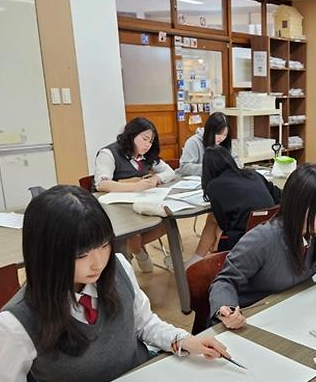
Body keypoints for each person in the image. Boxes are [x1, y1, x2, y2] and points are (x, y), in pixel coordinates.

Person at [0, 186, 229, 382]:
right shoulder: (15, 322)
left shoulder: (118, 267)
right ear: (46, 255)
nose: (98, 263)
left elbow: (144, 324)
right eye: (82, 255)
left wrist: (184, 340)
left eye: (103, 246)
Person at [208, 164, 316, 329]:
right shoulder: (263, 238)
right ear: (295, 206)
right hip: (252, 319)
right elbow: (225, 281)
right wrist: (226, 310)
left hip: (292, 315)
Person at [94, 117, 175, 272]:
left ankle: (135, 248)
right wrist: (135, 186)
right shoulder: (109, 153)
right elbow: (102, 184)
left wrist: (156, 178)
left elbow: (169, 171)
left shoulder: (147, 156)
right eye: (144, 139)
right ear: (131, 135)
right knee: (133, 230)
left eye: (150, 141)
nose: (147, 145)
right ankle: (137, 251)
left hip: (141, 203)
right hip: (114, 208)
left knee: (169, 221)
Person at [185, 145, 282, 269]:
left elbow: (224, 223)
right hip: (270, 230)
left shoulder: (214, 186)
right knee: (213, 219)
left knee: (214, 224)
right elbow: (278, 196)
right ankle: (197, 259)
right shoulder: (252, 174)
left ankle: (197, 260)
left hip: (243, 238)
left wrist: (219, 234)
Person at [178, 112, 243, 176]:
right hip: (198, 181)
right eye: (218, 134)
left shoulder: (225, 141)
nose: (221, 138)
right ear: (210, 131)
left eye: (225, 135)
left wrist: (233, 167)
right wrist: (212, 167)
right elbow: (184, 167)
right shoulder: (193, 142)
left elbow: (237, 160)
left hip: (220, 180)